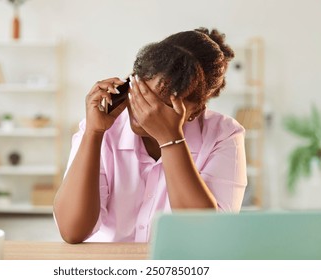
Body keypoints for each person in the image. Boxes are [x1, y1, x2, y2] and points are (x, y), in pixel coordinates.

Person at [53, 27, 247, 244]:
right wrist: (93, 133)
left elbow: (206, 238)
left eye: (163, 106)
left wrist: (170, 139)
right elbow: (72, 230)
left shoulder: (224, 135)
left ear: (195, 111)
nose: (144, 113)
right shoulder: (101, 127)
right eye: (142, 94)